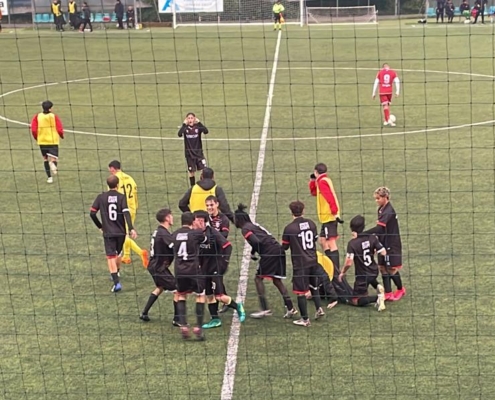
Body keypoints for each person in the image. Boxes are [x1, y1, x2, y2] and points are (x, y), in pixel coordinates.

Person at [234, 203, 296, 319]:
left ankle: (264, 309)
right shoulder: (253, 226)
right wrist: (253, 252)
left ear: (238, 219)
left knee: (258, 279)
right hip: (278, 250)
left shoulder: (245, 229)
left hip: (269, 253)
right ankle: (290, 308)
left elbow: (256, 241)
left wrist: (259, 251)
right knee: (277, 280)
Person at [193, 211, 245, 329]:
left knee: (219, 296)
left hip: (215, 267)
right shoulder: (196, 234)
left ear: (202, 222)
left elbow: (228, 246)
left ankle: (237, 306)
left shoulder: (213, 233)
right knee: (209, 295)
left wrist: (224, 262)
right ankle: (215, 319)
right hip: (204, 269)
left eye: (197, 220)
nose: (195, 223)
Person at [308, 163, 352, 298]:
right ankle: (332, 266)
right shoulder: (322, 180)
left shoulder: (323, 182)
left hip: (329, 217)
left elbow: (329, 197)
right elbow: (314, 193)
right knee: (322, 241)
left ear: (316, 171)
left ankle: (335, 272)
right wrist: (312, 181)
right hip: (326, 217)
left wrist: (334, 212)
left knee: (331, 242)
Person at [90, 175, 137, 293]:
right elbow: (126, 213)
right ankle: (117, 272)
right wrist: (131, 228)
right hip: (121, 232)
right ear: (117, 185)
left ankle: (116, 283)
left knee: (110, 256)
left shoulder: (101, 197)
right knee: (118, 253)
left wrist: (100, 226)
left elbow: (92, 213)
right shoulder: (121, 197)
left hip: (108, 232)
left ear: (108, 185)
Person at [281, 201, 325, 327]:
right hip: (313, 261)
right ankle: (319, 309)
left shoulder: (289, 228)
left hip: (300, 264)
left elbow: (284, 247)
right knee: (314, 286)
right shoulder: (311, 223)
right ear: (303, 210)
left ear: (291, 212)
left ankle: (305, 320)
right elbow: (314, 239)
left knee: (300, 292)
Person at [361, 187, 405, 301]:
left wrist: (363, 234)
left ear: (386, 197)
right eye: (375, 198)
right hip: (383, 242)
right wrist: (377, 244)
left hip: (391, 243)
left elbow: (379, 228)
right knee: (382, 267)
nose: (376, 201)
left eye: (378, 198)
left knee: (391, 269)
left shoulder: (388, 211)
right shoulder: (381, 209)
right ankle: (388, 293)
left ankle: (400, 289)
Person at [139, 208, 182, 325]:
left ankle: (144, 313)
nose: (172, 218)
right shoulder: (163, 233)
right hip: (159, 268)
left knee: (160, 287)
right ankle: (177, 319)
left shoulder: (158, 231)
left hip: (154, 265)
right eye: (171, 216)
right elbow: (174, 247)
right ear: (167, 218)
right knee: (178, 290)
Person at [171, 212, 208, 340]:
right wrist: (200, 228)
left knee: (181, 295)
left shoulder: (174, 234)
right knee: (200, 295)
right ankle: (198, 327)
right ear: (193, 221)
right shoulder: (196, 233)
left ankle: (184, 326)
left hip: (179, 271)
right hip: (193, 270)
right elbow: (205, 240)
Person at [338, 215, 386, 311]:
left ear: (352, 229)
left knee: (355, 300)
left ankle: (378, 298)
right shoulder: (372, 237)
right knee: (369, 278)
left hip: (362, 277)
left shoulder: (352, 243)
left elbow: (348, 263)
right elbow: (383, 252)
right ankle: (377, 285)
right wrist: (373, 252)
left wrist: (343, 272)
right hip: (374, 271)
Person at [108, 160, 149, 267]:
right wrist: (135, 206)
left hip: (122, 210)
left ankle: (141, 252)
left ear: (112, 168)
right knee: (126, 232)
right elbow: (135, 193)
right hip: (132, 208)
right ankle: (126, 256)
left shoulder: (114, 180)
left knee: (122, 235)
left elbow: (113, 196)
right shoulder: (130, 178)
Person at [206, 195, 232, 314]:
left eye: (211, 205)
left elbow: (225, 235)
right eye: (207, 205)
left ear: (217, 204)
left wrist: (211, 235)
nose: (209, 207)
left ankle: (224, 301)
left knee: (216, 277)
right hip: (207, 254)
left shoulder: (223, 219)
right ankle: (224, 300)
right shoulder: (205, 218)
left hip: (219, 254)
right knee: (213, 278)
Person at [30, 100, 64, 184]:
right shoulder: (53, 116)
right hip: (52, 140)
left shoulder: (37, 116)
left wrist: (37, 137)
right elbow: (59, 128)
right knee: (54, 158)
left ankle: (49, 178)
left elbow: (33, 129)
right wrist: (61, 135)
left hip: (42, 141)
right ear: (50, 108)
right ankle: (52, 163)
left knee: (45, 159)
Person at [178, 112, 209, 187]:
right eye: (188, 118)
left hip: (199, 154)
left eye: (192, 118)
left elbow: (206, 131)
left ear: (194, 119)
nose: (190, 120)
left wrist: (199, 122)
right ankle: (192, 187)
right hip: (189, 154)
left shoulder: (198, 127)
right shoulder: (185, 128)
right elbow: (179, 134)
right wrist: (184, 124)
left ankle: (204, 186)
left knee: (204, 170)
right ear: (186, 119)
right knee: (191, 172)